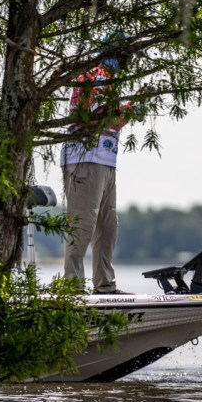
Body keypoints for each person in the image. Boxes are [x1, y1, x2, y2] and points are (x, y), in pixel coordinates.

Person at [60, 42, 132, 295]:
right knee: (83, 224)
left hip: (106, 160)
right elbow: (101, 117)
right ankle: (72, 288)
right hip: (85, 159)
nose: (130, 60)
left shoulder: (109, 80)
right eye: (126, 54)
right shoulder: (96, 76)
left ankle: (104, 285)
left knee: (107, 226)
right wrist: (132, 108)